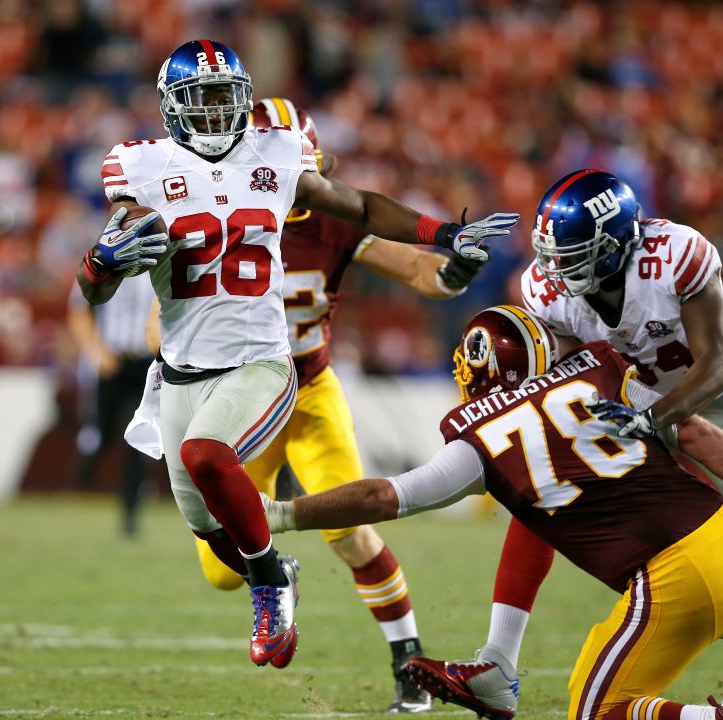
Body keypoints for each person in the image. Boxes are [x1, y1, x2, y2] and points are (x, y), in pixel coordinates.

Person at [75, 39, 518, 669]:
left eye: (227, 100)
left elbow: (364, 209)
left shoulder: (278, 163)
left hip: (270, 367)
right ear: (172, 108)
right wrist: (101, 262)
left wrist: (446, 235)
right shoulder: (140, 167)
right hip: (181, 371)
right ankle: (271, 565)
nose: (216, 115)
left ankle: (355, 628)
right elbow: (97, 284)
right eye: (201, 102)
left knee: (213, 457)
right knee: (210, 536)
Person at [260, 306, 723, 720]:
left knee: (597, 711)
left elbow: (384, 497)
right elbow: (696, 432)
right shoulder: (600, 373)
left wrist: (282, 514)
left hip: (679, 578)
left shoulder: (479, 437)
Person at [444, 169, 723, 716]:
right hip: (634, 392)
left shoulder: (675, 254)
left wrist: (654, 419)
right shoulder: (546, 288)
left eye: (575, 253)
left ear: (617, 242)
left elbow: (714, 364)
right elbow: (574, 371)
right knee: (548, 490)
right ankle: (498, 659)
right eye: (553, 253)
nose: (557, 268)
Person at [183, 96, 485, 710]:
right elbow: (157, 331)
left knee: (349, 528)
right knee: (220, 568)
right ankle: (276, 572)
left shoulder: (337, 219)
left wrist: (458, 270)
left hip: (310, 389)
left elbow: (425, 275)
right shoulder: (212, 218)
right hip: (242, 398)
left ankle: (408, 658)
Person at [67, 276, 158, 537]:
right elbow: (79, 309)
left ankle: (130, 512)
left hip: (146, 363)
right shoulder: (105, 255)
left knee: (139, 438)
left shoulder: (160, 257)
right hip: (111, 360)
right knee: (101, 435)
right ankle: (83, 471)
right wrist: (96, 351)